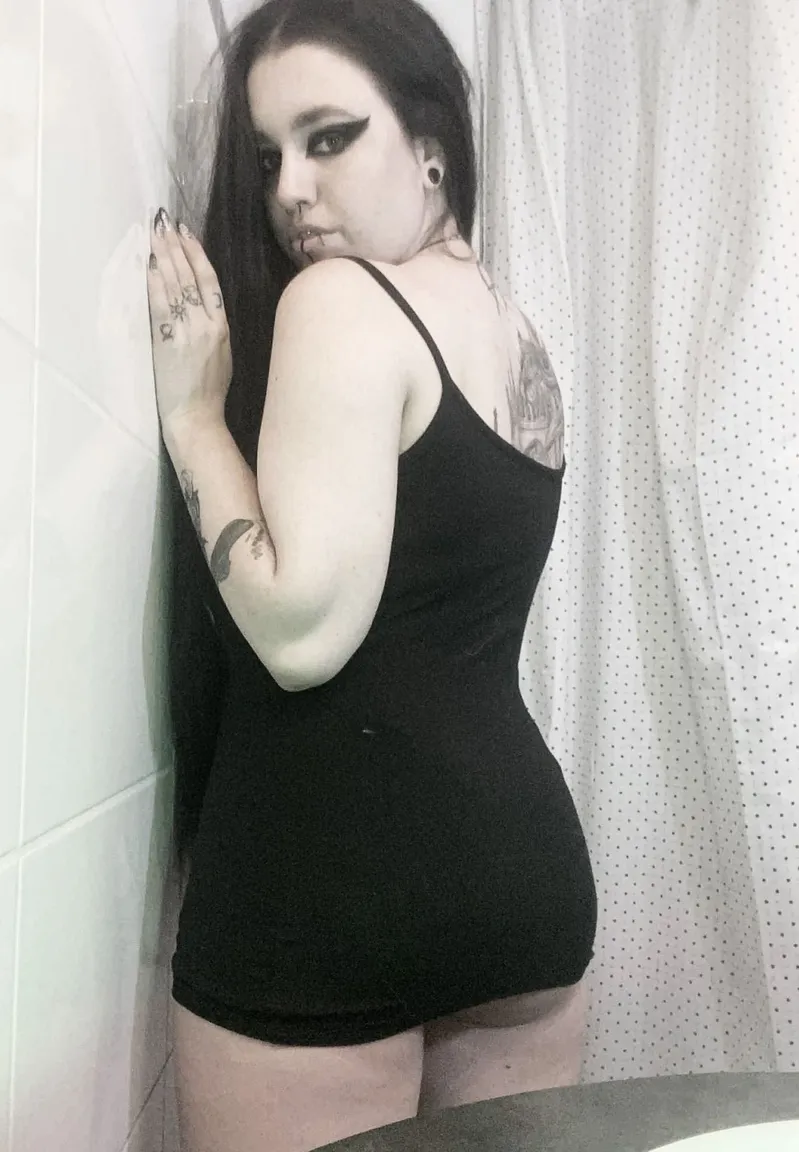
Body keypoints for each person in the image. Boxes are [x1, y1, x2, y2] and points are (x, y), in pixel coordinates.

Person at [148, 1, 598, 1150]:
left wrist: (197, 419)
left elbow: (300, 637)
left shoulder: (343, 301)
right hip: (520, 887)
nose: (290, 190)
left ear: (432, 145)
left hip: (325, 893)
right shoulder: (515, 335)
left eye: (330, 137)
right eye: (267, 157)